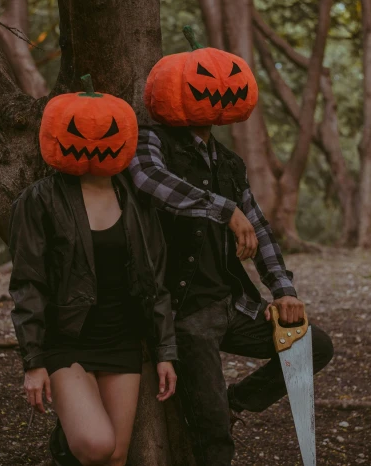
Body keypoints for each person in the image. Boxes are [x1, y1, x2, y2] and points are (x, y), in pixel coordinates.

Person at [129, 28, 334, 465]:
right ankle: (218, 417)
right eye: (204, 77)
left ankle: (236, 401)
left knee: (314, 346)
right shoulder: (150, 141)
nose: (218, 87)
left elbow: (258, 229)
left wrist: (284, 291)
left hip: (233, 305)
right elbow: (148, 181)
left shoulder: (230, 164)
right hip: (185, 315)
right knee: (213, 440)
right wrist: (223, 209)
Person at [8, 75, 177, 466]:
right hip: (68, 341)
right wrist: (33, 363)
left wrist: (165, 351)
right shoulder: (40, 200)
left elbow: (157, 281)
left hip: (123, 340)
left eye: (110, 131)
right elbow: (27, 284)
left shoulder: (135, 198)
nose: (92, 140)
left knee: (116, 457)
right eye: (73, 130)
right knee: (97, 445)